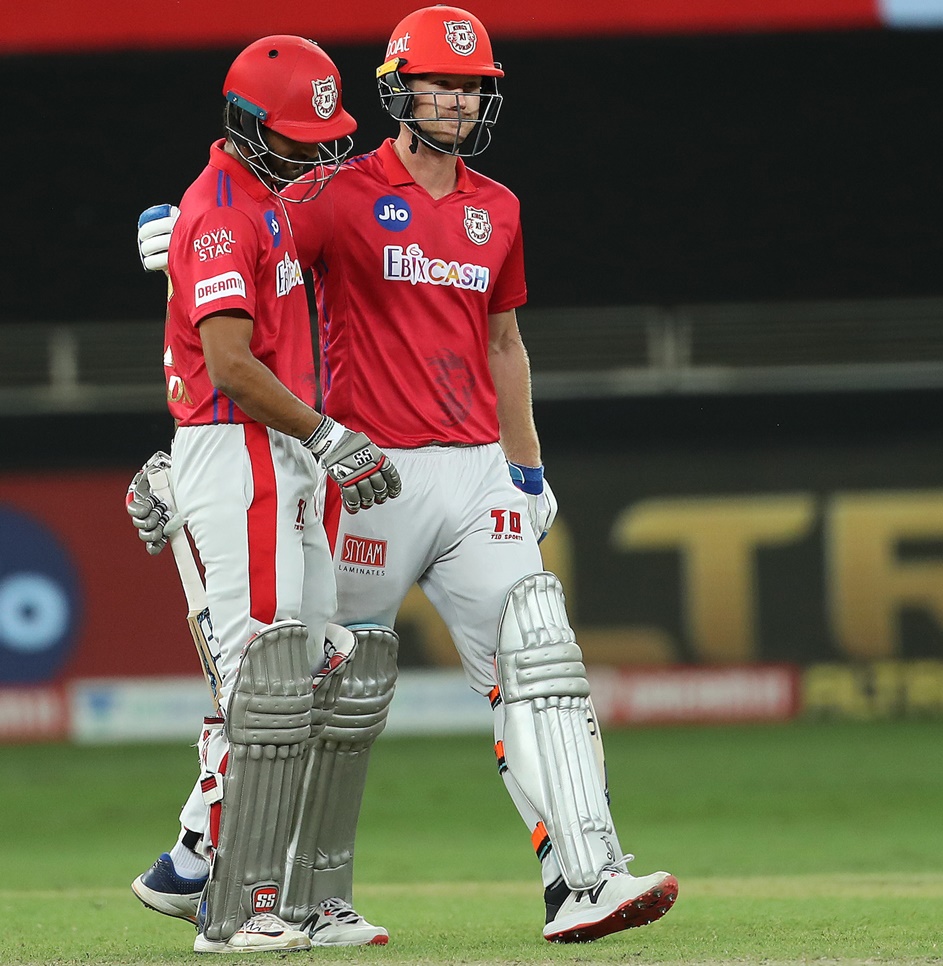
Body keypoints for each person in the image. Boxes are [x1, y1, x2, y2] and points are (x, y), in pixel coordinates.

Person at [131, 4, 678, 943]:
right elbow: (240, 247)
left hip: (472, 476)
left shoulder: (497, 207)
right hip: (364, 473)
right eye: (440, 82)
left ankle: (586, 879)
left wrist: (527, 469)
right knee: (300, 676)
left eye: (472, 85)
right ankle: (208, 859)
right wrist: (171, 225)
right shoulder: (336, 191)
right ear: (397, 89)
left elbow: (506, 343)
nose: (458, 99)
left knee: (537, 650)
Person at [125, 34, 401, 954]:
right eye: (296, 134)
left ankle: (261, 882)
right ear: (244, 127)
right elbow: (230, 368)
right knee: (267, 686)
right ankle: (229, 905)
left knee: (320, 674)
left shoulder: (267, 202)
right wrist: (326, 434)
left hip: (275, 449)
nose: (317, 149)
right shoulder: (223, 212)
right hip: (240, 445)